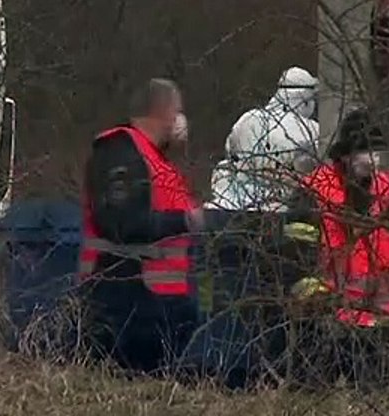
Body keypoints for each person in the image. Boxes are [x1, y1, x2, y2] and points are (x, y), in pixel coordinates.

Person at [78, 78, 204, 375]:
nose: (180, 121)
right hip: (124, 303)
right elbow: (122, 224)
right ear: (161, 111)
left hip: (160, 306)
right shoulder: (119, 151)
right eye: (177, 111)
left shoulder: (156, 161)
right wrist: (186, 221)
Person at [297, 108, 389, 387]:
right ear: (345, 156)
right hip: (327, 320)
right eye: (367, 152)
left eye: (377, 152)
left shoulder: (387, 189)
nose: (374, 159)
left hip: (378, 322)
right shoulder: (316, 189)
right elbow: (296, 255)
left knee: (375, 394)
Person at [209, 67, 320, 211]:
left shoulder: (248, 118)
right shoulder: (312, 130)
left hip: (231, 203)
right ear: (305, 99)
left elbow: (230, 151)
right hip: (280, 208)